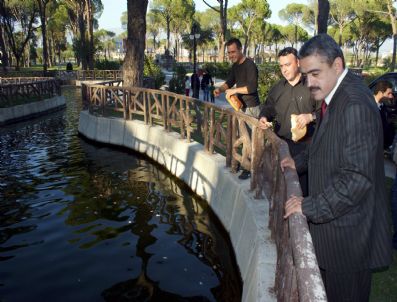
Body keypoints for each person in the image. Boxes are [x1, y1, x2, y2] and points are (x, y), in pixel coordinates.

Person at [282, 34, 392, 302]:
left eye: (315, 73)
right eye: (306, 74)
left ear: (337, 65)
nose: (309, 82)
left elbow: (356, 179)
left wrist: (307, 206)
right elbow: (326, 144)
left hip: (349, 241)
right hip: (339, 233)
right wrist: (298, 162)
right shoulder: (335, 93)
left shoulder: (354, 103)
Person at [258, 47, 319, 196]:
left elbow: (326, 112)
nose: (284, 69)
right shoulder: (277, 88)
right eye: (281, 66)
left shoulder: (313, 86)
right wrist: (264, 117)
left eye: (288, 64)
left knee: (302, 193)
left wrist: (310, 117)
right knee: (279, 191)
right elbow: (268, 108)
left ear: (298, 62)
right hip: (281, 146)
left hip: (306, 150)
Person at [214, 38, 260, 179]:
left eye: (233, 52)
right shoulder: (235, 66)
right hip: (240, 107)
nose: (231, 55)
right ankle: (244, 162)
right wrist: (220, 90)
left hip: (251, 108)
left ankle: (249, 168)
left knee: (251, 140)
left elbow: (252, 88)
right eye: (229, 53)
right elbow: (229, 82)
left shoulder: (250, 65)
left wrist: (234, 91)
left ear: (240, 50)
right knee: (243, 138)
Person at [373, 80, 395, 150]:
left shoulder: (383, 106)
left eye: (391, 93)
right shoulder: (367, 107)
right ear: (380, 93)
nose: (391, 96)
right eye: (389, 93)